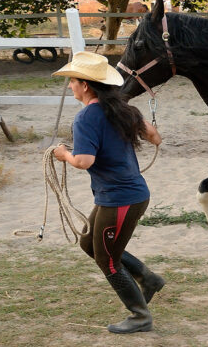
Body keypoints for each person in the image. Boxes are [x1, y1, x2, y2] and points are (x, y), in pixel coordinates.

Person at [51, 51, 164, 334]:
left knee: (107, 260)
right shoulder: (124, 109)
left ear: (86, 85)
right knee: (89, 243)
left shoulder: (86, 117)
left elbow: (83, 161)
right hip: (125, 195)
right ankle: (147, 279)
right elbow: (155, 137)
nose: (70, 86)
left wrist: (63, 154)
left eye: (73, 81)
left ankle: (140, 316)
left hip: (120, 199)